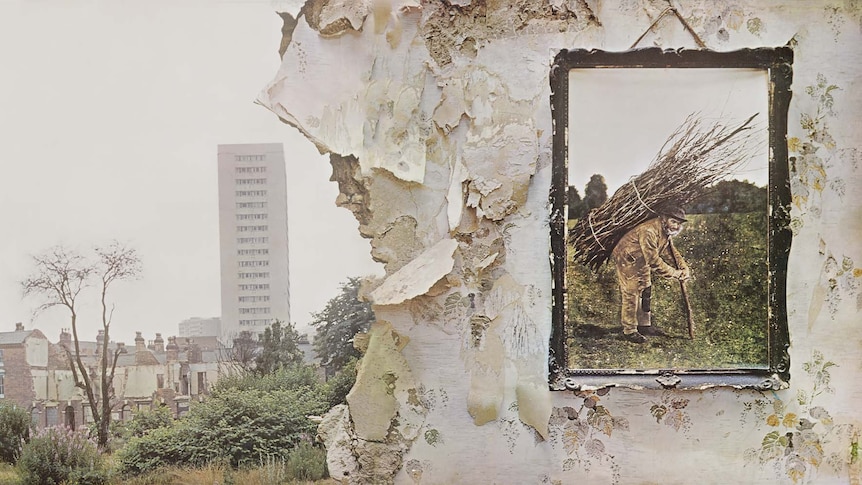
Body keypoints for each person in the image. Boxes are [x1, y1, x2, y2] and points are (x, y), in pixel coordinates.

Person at [610, 206, 691, 343]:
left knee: (646, 289)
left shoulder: (665, 231)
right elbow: (653, 261)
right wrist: (675, 273)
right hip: (627, 258)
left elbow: (670, 252)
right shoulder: (649, 231)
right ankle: (629, 331)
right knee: (631, 292)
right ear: (664, 219)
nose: (677, 226)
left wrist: (684, 268)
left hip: (642, 259)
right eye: (674, 222)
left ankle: (644, 325)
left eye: (679, 223)